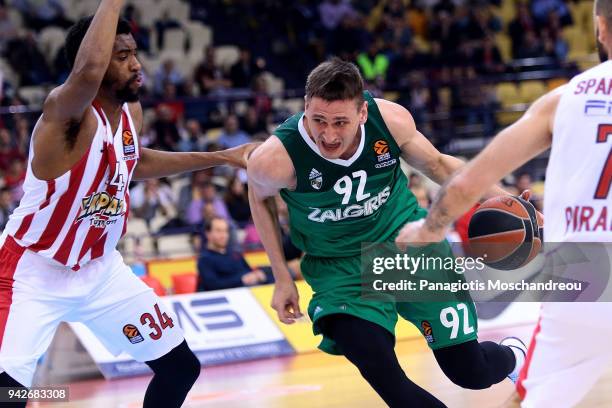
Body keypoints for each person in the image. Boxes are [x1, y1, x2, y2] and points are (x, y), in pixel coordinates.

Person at [0, 2, 255, 407]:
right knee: (8, 394)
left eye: (135, 53)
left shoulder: (129, 113)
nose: (136, 64)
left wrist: (222, 156)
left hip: (101, 271)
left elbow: (135, 160)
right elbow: (85, 73)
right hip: (33, 270)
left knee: (181, 367)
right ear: (96, 61)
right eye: (121, 56)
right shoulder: (67, 114)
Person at [247, 58, 526, 407]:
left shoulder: (390, 122)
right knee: (388, 380)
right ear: (305, 108)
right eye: (318, 120)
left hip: (408, 245)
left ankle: (515, 356)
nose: (328, 135)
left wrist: (512, 202)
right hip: (340, 269)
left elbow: (441, 166)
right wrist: (281, 276)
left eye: (340, 122)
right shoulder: (274, 158)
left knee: (471, 372)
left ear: (363, 113)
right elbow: (259, 199)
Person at [395, 1, 612, 406]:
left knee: (527, 400)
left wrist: (429, 229)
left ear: (599, 28)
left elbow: (469, 180)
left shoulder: (564, 99)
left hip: (589, 277)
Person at [197, 217, 271, 291]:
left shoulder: (235, 254)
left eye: (225, 231)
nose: (224, 235)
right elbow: (213, 285)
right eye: (218, 231)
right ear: (208, 234)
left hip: (251, 291)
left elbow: (248, 271)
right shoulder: (205, 259)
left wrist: (256, 275)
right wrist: (242, 279)